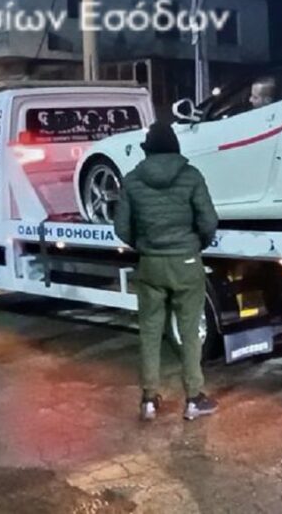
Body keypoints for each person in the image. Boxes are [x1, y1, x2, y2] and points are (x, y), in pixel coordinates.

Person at [115, 121, 220, 421]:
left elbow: (121, 227)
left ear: (147, 150)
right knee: (189, 332)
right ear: (175, 148)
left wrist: (142, 245)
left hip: (150, 263)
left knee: (149, 332)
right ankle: (193, 399)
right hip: (186, 262)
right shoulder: (191, 176)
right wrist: (196, 244)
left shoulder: (132, 180)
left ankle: (149, 400)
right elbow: (209, 220)